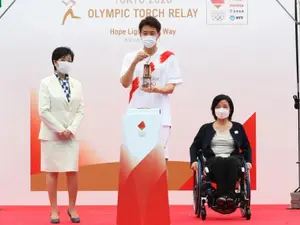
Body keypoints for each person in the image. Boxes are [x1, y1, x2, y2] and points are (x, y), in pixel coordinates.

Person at [120, 16, 183, 160]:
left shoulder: (168, 57)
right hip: (136, 112)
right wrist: (135, 62)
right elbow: (125, 83)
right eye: (145, 33)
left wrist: (157, 89)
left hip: (160, 112)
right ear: (140, 34)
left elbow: (171, 87)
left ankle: (160, 184)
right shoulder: (130, 57)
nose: (148, 36)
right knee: (135, 156)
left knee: (160, 156)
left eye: (152, 33)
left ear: (158, 34)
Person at [38, 47, 84, 223]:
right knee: (52, 172)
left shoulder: (77, 84)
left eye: (70, 60)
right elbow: (43, 111)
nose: (67, 63)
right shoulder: (46, 83)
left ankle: (72, 208)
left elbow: (80, 109)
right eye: (64, 59)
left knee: (72, 172)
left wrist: (70, 129)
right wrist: (59, 129)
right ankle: (54, 210)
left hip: (70, 135)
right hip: (52, 134)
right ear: (55, 61)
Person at [189, 94, 252, 205]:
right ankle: (223, 196)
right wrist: (194, 160)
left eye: (225, 106)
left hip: (233, 160)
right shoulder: (206, 128)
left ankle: (229, 196)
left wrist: (248, 162)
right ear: (213, 110)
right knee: (219, 161)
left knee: (231, 161)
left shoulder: (238, 127)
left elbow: (246, 147)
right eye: (218, 106)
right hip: (213, 161)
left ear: (230, 109)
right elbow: (194, 146)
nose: (221, 109)